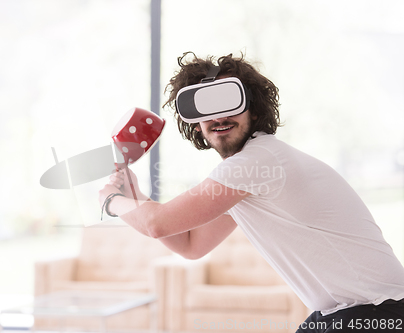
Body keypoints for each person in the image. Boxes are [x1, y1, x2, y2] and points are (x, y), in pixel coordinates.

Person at [98, 52, 404, 332]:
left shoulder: (258, 161)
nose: (218, 118)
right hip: (356, 315)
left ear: (255, 112)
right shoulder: (249, 177)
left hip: (374, 313)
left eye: (228, 103)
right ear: (195, 125)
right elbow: (192, 245)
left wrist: (112, 201)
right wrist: (136, 197)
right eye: (206, 109)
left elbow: (157, 224)